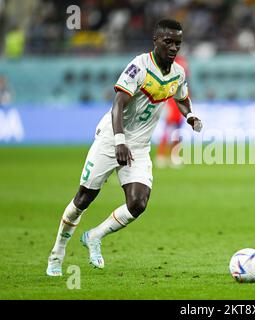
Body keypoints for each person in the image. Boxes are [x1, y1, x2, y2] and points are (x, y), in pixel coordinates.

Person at [46, 19, 203, 276]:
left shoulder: (178, 73)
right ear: (156, 41)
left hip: (139, 147)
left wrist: (190, 116)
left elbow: (182, 97)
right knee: (83, 199)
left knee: (138, 203)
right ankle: (57, 253)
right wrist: (119, 141)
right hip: (112, 139)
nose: (174, 47)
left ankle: (95, 236)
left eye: (178, 43)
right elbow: (117, 104)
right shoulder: (139, 67)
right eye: (168, 42)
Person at [156, 55, 189, 168]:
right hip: (171, 105)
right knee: (169, 131)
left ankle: (174, 157)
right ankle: (161, 156)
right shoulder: (171, 66)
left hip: (178, 105)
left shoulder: (180, 63)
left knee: (177, 133)